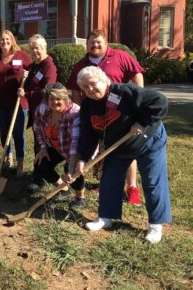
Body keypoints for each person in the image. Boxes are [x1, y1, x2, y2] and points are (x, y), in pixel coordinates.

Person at [65, 66, 171, 243]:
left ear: (104, 80)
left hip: (148, 140)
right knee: (109, 180)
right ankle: (105, 217)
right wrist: (83, 158)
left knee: (153, 181)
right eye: (85, 87)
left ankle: (155, 224)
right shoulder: (87, 106)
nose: (90, 89)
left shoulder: (124, 91)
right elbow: (89, 134)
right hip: (117, 146)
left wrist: (142, 122)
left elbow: (160, 102)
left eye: (93, 84)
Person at [66, 29, 145, 205]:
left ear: (106, 42)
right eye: (91, 42)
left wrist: (138, 96)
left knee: (127, 147)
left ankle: (132, 188)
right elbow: (75, 90)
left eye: (98, 42)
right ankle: (107, 183)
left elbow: (136, 73)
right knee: (105, 148)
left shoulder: (120, 56)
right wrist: (80, 111)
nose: (95, 45)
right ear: (86, 44)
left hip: (121, 112)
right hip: (96, 114)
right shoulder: (81, 64)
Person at [32, 83, 86, 211]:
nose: (55, 102)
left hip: (76, 149)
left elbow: (75, 142)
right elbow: (38, 128)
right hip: (57, 146)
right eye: (51, 98)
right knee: (40, 164)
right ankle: (63, 188)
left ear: (65, 99)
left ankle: (80, 198)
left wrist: (72, 166)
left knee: (73, 172)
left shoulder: (74, 113)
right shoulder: (43, 110)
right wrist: (43, 148)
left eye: (58, 99)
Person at [0, 30, 31, 177]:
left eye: (7, 39)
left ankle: (20, 162)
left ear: (12, 41)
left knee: (18, 133)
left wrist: (26, 85)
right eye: (1, 40)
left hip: (18, 103)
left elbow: (32, 72)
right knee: (4, 132)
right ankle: (8, 157)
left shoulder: (22, 56)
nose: (4, 42)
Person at [22, 34, 57, 183]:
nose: (34, 51)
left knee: (43, 143)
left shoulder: (49, 64)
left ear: (44, 48)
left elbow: (47, 89)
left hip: (45, 112)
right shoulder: (35, 65)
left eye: (37, 48)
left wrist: (28, 93)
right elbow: (29, 81)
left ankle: (40, 177)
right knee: (38, 142)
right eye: (32, 48)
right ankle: (39, 174)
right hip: (35, 110)